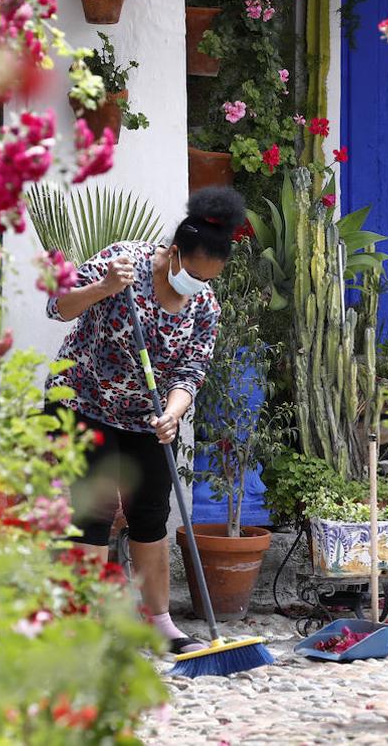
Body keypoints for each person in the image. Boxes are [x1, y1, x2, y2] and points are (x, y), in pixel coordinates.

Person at [45, 186, 245, 655]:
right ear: (173, 253)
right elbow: (57, 307)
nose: (197, 284)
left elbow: (191, 369)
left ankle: (160, 623)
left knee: (151, 515)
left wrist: (173, 414)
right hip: (82, 402)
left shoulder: (204, 306)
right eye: (193, 273)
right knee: (90, 514)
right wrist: (103, 289)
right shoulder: (124, 262)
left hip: (146, 417)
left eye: (208, 278)